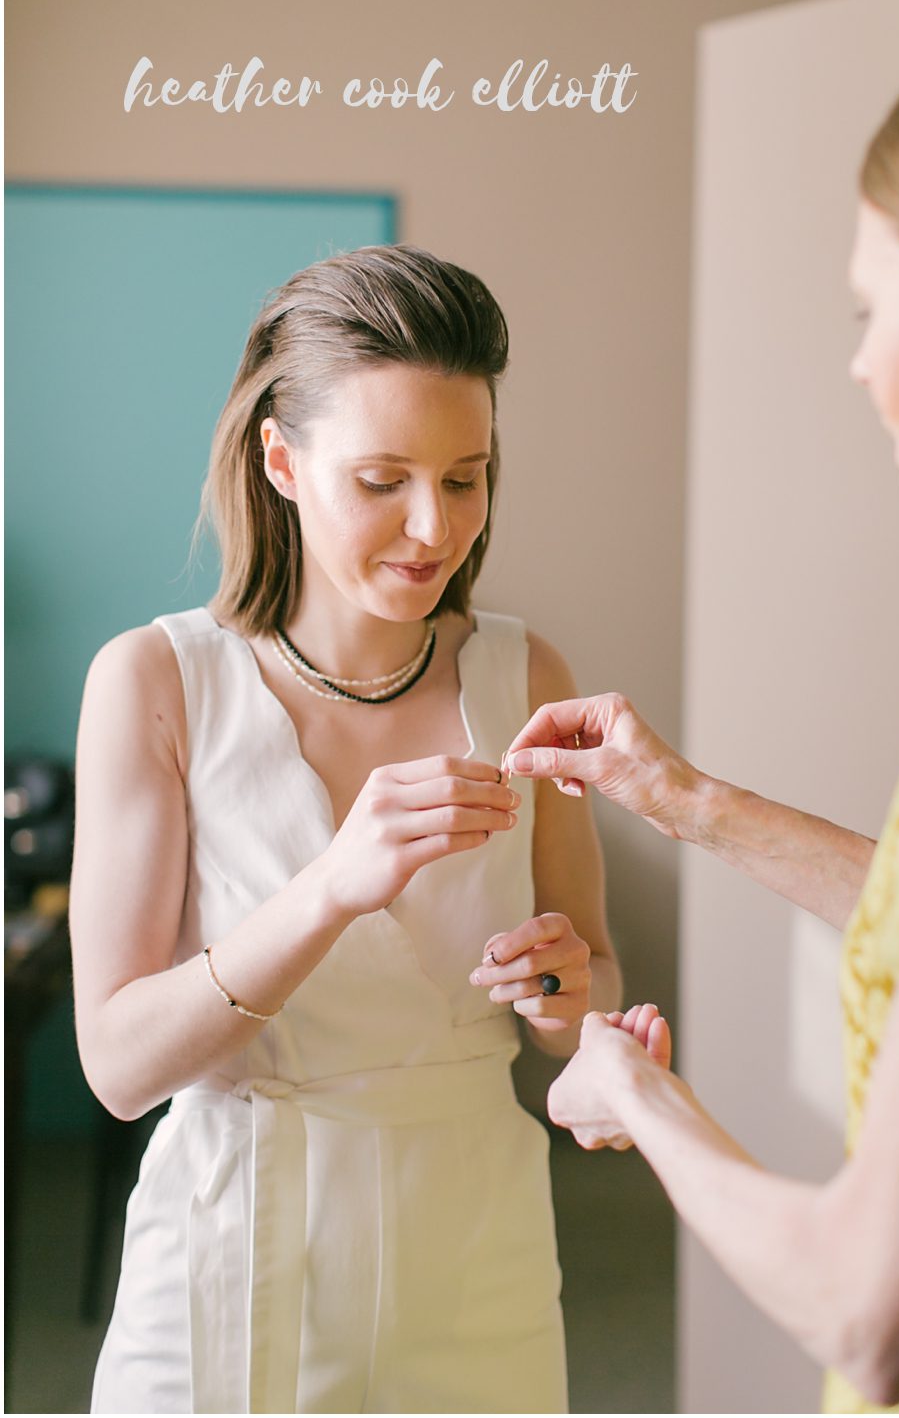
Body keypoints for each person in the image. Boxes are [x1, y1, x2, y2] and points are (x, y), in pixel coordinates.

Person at [507, 33, 899, 1411]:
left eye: (864, 313)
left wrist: (640, 1102)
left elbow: (865, 1310)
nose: (856, 368)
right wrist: (681, 799)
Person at [72, 246, 616, 1411]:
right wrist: (328, 887)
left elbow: (591, 997)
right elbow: (116, 1069)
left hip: (478, 1260)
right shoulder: (158, 684)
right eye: (383, 480)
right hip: (231, 1249)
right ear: (281, 459)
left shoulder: (530, 678)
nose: (434, 527)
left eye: (464, 479)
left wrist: (573, 997)